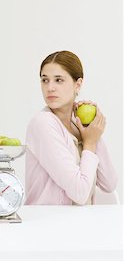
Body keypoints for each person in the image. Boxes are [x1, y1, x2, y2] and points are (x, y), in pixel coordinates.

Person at [24, 50, 118, 205]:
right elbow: (79, 193)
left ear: (78, 84)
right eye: (45, 80)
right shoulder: (42, 123)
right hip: (47, 225)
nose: (50, 88)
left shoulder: (78, 123)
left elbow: (109, 183)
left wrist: (92, 131)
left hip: (78, 224)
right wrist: (89, 144)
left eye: (59, 80)